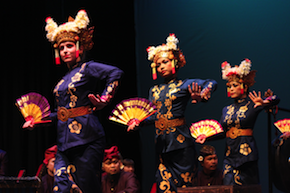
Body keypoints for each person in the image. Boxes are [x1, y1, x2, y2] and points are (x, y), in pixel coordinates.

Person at [23, 10, 123, 193]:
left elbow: (115, 73)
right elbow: (60, 113)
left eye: (69, 46)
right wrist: (36, 120)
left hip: (87, 139)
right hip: (64, 143)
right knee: (60, 186)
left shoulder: (88, 68)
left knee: (86, 187)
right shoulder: (62, 81)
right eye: (61, 48)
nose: (65, 51)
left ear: (80, 47)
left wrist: (104, 99)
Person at [128, 34, 217, 192]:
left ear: (175, 62)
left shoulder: (184, 85)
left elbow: (212, 83)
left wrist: (203, 94)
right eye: (158, 64)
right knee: (164, 187)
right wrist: (138, 122)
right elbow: (151, 116)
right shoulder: (154, 90)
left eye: (165, 62)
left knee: (185, 187)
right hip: (162, 145)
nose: (161, 66)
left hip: (181, 144)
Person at [201, 59, 279, 185]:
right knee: (229, 186)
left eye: (235, 85)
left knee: (248, 189)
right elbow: (221, 132)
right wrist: (206, 137)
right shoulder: (226, 109)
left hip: (246, 155)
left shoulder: (253, 104)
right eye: (229, 86)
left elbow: (276, 99)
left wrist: (264, 102)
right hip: (230, 155)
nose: (231, 89)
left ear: (245, 86)